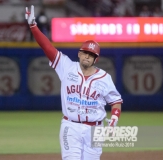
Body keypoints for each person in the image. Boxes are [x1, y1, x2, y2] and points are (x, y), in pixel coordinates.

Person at [25, 5, 123, 160]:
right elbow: (47, 47)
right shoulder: (67, 67)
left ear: (96, 59)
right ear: (79, 53)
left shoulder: (104, 78)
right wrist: (34, 27)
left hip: (95, 129)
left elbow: (116, 101)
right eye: (85, 53)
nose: (87, 57)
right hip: (70, 126)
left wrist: (115, 117)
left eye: (91, 55)